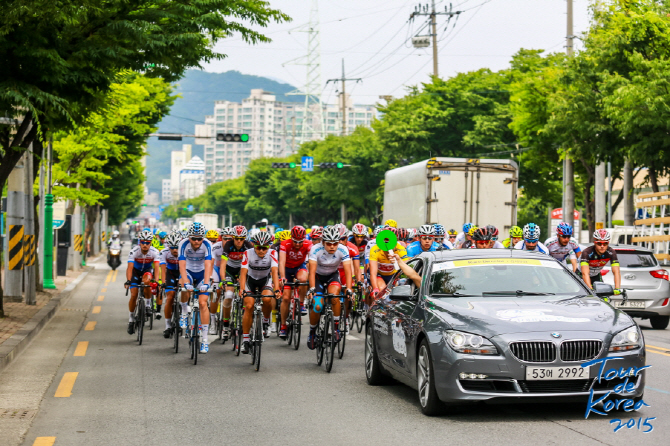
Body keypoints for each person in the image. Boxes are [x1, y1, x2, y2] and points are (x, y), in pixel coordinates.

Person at [306, 226, 353, 349]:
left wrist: (349, 288)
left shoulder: (343, 249)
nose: (332, 246)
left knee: (335, 297)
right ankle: (312, 332)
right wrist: (312, 288)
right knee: (317, 305)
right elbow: (311, 272)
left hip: (333, 276)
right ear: (323, 242)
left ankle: (336, 328)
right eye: (329, 243)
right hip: (318, 277)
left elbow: (348, 271)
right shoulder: (315, 249)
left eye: (335, 243)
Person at [239, 231, 280, 354]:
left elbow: (274, 271)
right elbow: (243, 273)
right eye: (258, 247)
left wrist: (277, 289)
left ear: (269, 246)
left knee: (267, 299)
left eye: (264, 248)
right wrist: (242, 289)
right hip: (250, 281)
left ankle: (266, 321)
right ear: (253, 245)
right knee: (249, 306)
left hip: (265, 281)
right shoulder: (247, 253)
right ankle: (245, 340)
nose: (261, 251)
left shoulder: (273, 253)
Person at [177, 222, 214, 354]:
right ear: (189, 237)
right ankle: (183, 312)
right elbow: (181, 266)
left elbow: (209, 265)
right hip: (188, 271)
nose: (197, 241)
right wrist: (186, 283)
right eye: (194, 238)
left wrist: (206, 283)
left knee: (203, 303)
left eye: (200, 238)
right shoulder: (183, 244)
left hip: (203, 273)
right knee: (183, 285)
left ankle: (204, 340)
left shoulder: (208, 244)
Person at [219, 225, 253, 340]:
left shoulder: (248, 246)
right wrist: (223, 280)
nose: (239, 241)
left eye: (242, 239)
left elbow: (251, 264)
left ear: (245, 238)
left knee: (246, 296)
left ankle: (244, 319)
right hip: (229, 271)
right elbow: (223, 265)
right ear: (233, 237)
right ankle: (225, 326)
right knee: (228, 295)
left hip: (242, 270)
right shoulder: (228, 245)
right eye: (236, 238)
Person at [278, 225, 312, 338]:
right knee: (286, 298)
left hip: (299, 267)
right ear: (291, 238)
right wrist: (282, 277)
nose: (297, 245)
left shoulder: (308, 244)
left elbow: (312, 262)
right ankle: (283, 326)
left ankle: (301, 303)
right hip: (286, 269)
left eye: (300, 242)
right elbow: (281, 262)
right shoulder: (285, 244)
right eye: (295, 242)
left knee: (303, 279)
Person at [124, 229, 160, 335]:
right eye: (142, 242)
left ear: (150, 243)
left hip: (146, 272)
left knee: (148, 281)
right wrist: (128, 281)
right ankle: (131, 319)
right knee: (134, 295)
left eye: (147, 242)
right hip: (135, 272)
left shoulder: (155, 252)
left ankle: (148, 305)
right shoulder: (134, 251)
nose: (145, 245)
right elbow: (130, 268)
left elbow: (157, 268)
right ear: (140, 242)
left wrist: (156, 282)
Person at [369, 229, 409, 298]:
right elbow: (373, 273)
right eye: (387, 241)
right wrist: (375, 289)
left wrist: (398, 262)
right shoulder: (375, 249)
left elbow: (407, 269)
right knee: (381, 291)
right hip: (379, 274)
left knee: (396, 293)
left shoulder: (401, 249)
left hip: (392, 274)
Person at [159, 232, 182, 338]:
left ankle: (183, 317)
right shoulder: (164, 253)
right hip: (170, 274)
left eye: (177, 247)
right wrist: (163, 283)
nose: (174, 250)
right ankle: (168, 326)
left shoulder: (185, 252)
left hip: (183, 274)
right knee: (170, 297)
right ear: (168, 246)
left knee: (184, 296)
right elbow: (163, 270)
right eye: (172, 247)